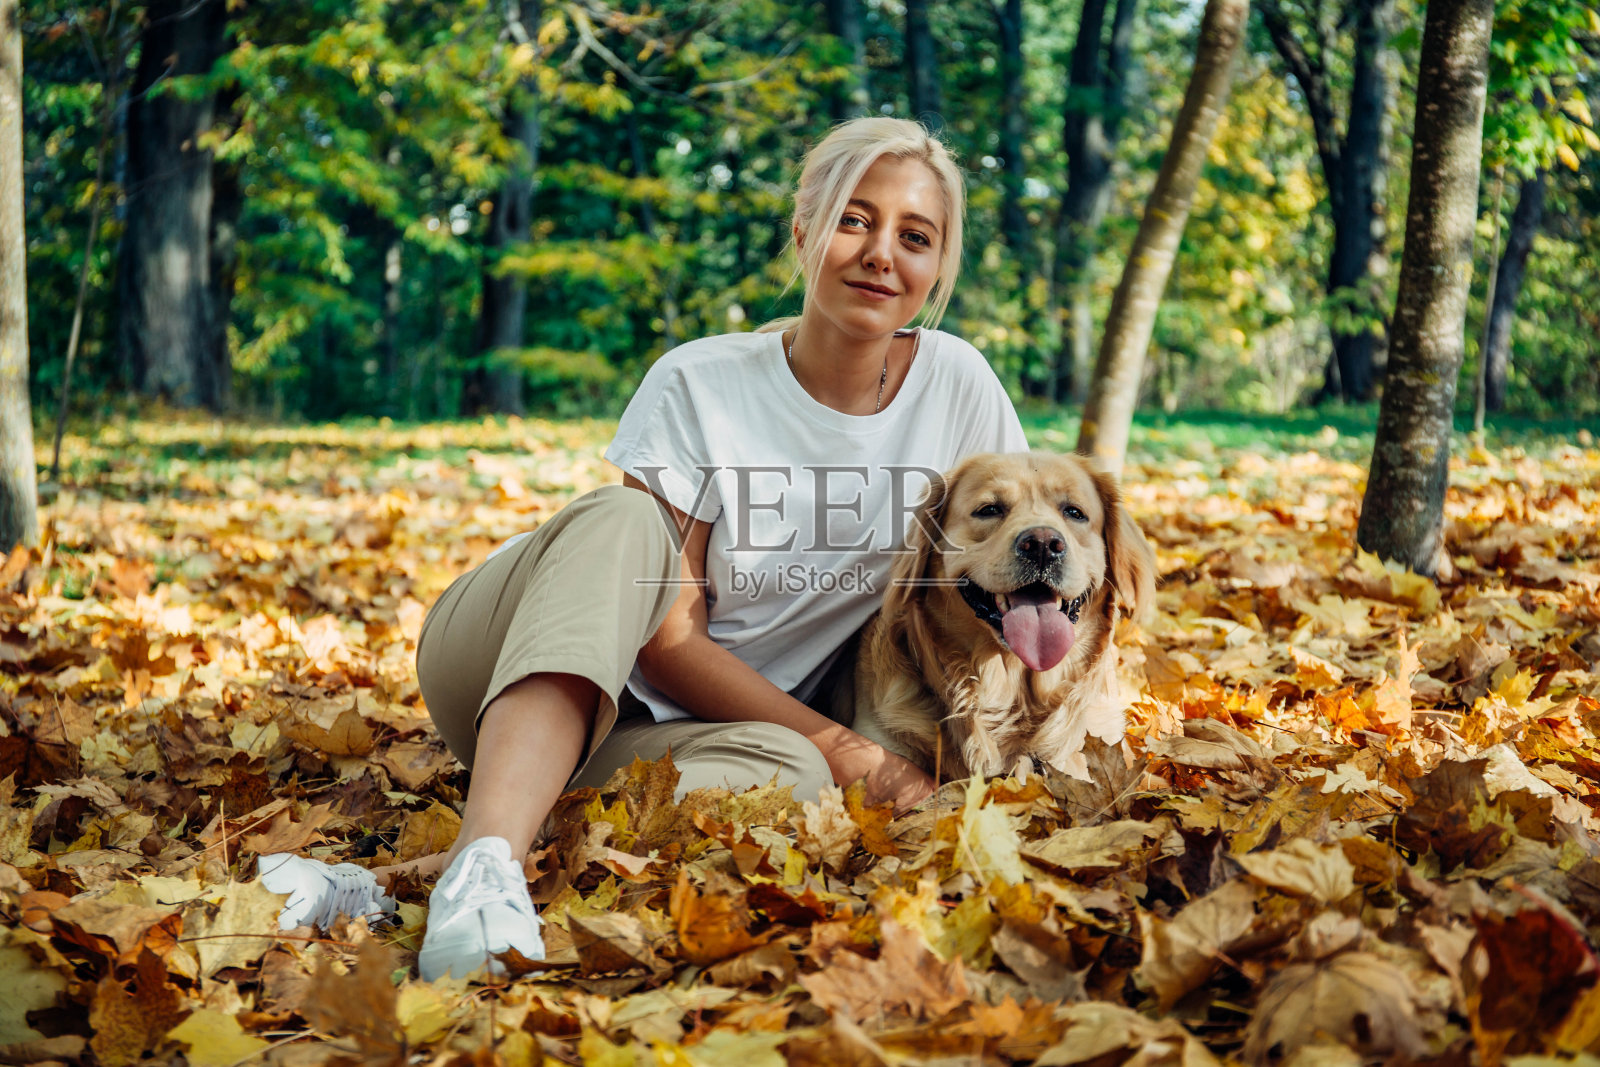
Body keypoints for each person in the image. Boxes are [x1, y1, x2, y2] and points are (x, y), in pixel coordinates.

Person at [260, 116, 1029, 981]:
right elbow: (665, 642)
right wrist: (859, 754)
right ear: (805, 228)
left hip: (667, 740)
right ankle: (481, 866)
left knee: (798, 777)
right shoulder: (700, 380)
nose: (880, 252)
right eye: (855, 218)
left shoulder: (958, 387)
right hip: (513, 660)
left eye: (914, 236)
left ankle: (394, 885)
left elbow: (1005, 561)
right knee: (633, 533)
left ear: (936, 266)